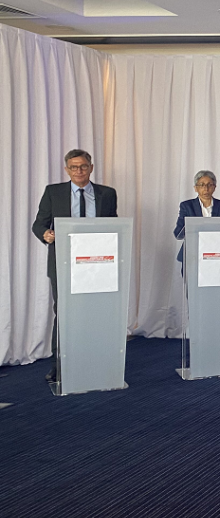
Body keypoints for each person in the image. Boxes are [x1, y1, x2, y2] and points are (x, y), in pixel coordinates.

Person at [32, 149, 118, 383]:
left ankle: (98, 361)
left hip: (98, 264)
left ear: (91, 167)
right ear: (66, 169)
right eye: (73, 167)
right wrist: (46, 234)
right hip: (64, 263)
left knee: (97, 312)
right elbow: (38, 224)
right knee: (65, 314)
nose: (78, 171)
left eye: (83, 166)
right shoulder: (53, 192)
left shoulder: (107, 194)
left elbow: (113, 226)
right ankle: (58, 366)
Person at [174, 170, 220, 265]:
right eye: (201, 185)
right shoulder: (187, 206)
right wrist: (188, 227)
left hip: (217, 255)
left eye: (209, 185)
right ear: (195, 188)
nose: (206, 188)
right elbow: (178, 233)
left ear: (214, 187)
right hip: (192, 255)